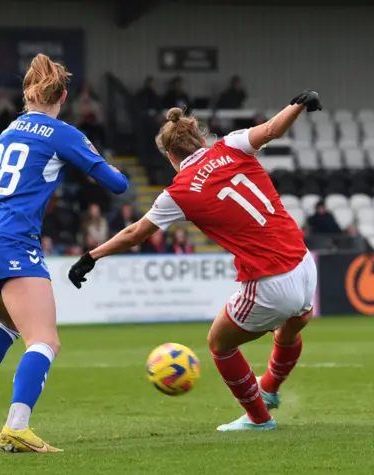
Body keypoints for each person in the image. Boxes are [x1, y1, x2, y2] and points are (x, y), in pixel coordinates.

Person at [69, 91, 322, 432]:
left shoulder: (178, 191)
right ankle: (271, 389)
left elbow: (135, 233)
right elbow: (272, 129)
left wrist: (91, 255)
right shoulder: (231, 145)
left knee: (220, 343)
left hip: (270, 278)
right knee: (291, 326)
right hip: (304, 264)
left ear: (171, 156)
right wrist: (298, 105)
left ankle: (259, 418)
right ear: (202, 138)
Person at [0, 53, 128, 453]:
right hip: (10, 241)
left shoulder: (5, 134)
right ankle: (17, 426)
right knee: (44, 340)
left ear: (26, 94)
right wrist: (90, 151)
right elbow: (117, 185)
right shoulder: (62, 133)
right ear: (62, 95)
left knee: (10, 324)